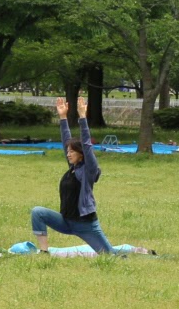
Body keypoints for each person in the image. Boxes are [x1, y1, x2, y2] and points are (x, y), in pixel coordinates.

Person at [31, 97, 116, 255]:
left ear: (81, 154)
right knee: (38, 212)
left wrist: (82, 117)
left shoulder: (89, 170)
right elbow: (66, 140)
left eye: (72, 151)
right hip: (66, 221)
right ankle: (44, 252)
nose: (68, 154)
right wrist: (63, 117)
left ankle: (138, 251)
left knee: (110, 255)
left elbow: (87, 145)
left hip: (85, 225)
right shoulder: (73, 168)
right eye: (67, 151)